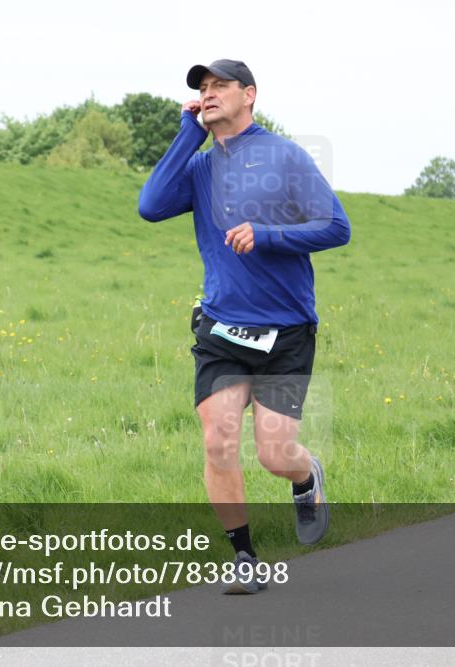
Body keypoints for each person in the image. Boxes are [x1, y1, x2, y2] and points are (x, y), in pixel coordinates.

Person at [138, 60, 351, 592]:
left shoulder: (284, 155)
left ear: (249, 94)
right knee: (218, 441)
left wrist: (269, 234)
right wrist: (188, 132)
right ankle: (244, 557)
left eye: (219, 87)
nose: (208, 95)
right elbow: (150, 206)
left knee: (275, 454)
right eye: (201, 90)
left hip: (287, 332)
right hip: (221, 329)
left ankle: (305, 478)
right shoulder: (200, 166)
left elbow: (336, 227)